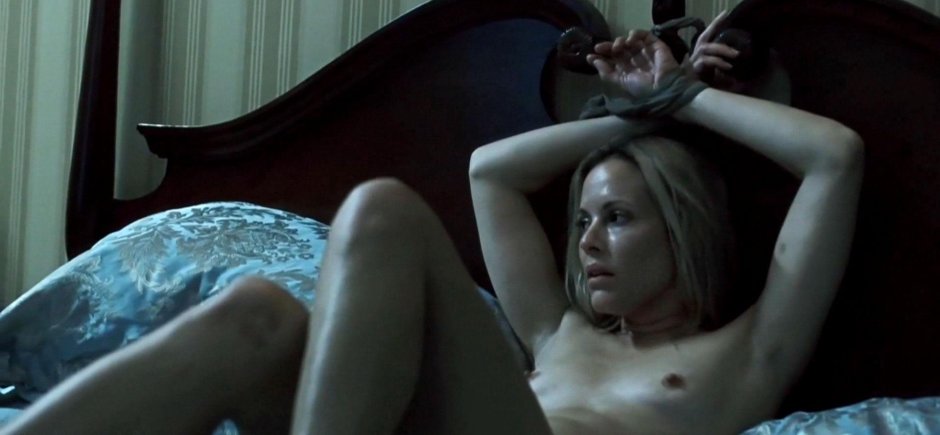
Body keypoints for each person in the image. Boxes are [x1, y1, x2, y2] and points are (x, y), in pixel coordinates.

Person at [1, 12, 863, 435]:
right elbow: (491, 171)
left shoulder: (747, 355)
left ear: (682, 229)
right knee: (257, 313)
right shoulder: (556, 330)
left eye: (619, 218)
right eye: (582, 218)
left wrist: (685, 98)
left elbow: (836, 159)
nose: (587, 241)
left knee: (383, 211)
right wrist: (640, 112)